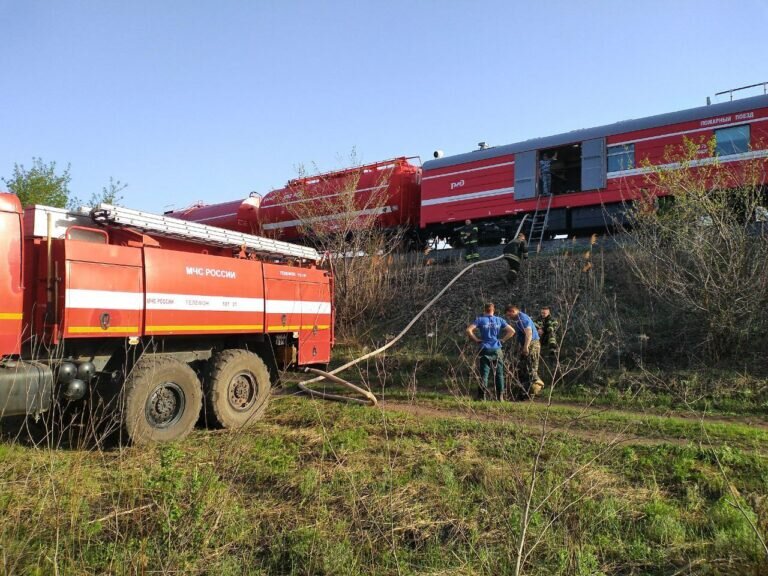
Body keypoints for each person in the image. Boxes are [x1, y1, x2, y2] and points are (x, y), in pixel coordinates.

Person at [466, 303, 515, 400]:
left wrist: (476, 339)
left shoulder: (480, 320)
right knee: (499, 374)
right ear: (493, 310)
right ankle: (500, 397)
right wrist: (503, 340)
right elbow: (512, 331)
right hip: (497, 348)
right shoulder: (499, 320)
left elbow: (468, 330)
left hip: (485, 348)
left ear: (485, 310)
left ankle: (482, 397)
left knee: (484, 373)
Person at [505, 304, 544, 399]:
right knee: (523, 369)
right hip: (527, 345)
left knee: (531, 370)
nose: (509, 317)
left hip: (532, 345)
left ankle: (535, 390)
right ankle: (524, 393)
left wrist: (526, 347)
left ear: (513, 311)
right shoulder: (519, 319)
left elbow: (529, 333)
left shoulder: (523, 319)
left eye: (509, 315)